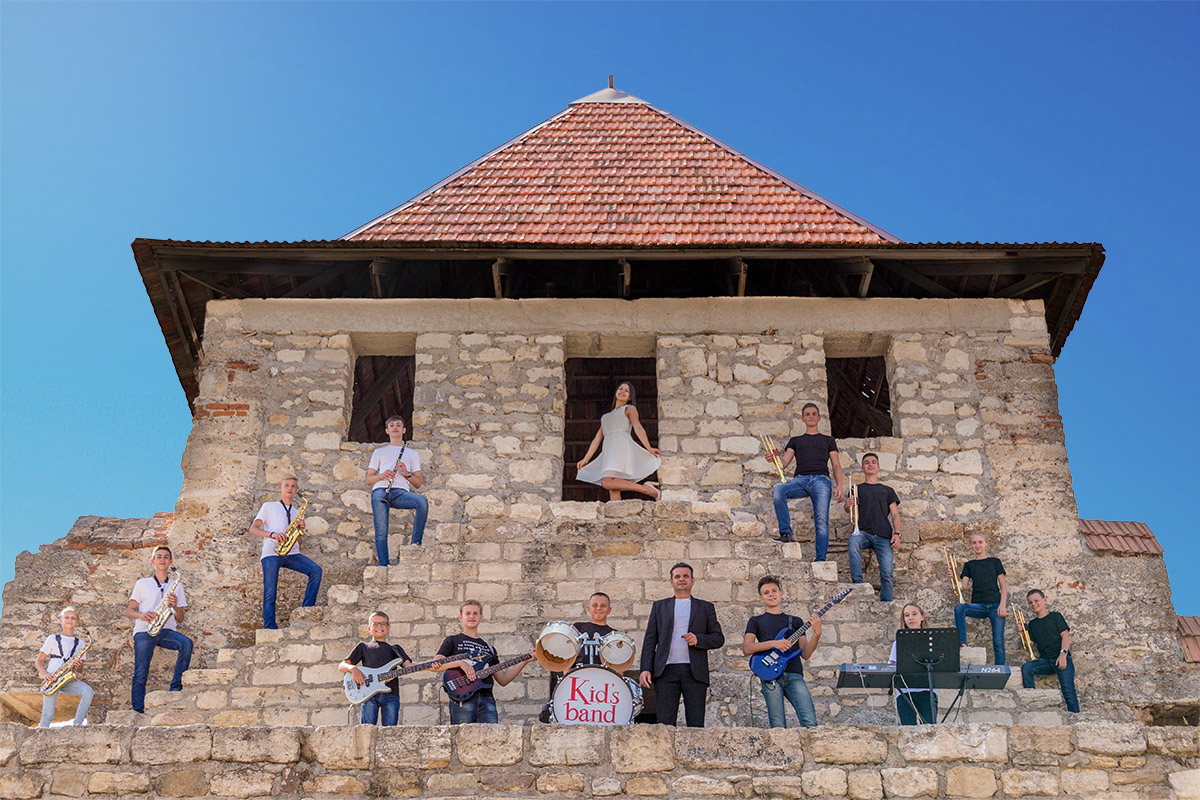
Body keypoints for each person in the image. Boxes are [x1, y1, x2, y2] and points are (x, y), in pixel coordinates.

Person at [639, 562, 725, 727]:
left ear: (693, 580)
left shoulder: (706, 608)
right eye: (677, 576)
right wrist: (645, 668)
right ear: (671, 581)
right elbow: (650, 639)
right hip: (665, 671)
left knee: (696, 724)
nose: (681, 579)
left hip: (694, 672)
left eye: (686, 576)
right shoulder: (659, 606)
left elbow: (718, 638)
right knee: (664, 725)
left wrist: (699, 639)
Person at [430, 600, 532, 724]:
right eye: (468, 613)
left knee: (491, 735)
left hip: (487, 700)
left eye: (475, 613)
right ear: (461, 617)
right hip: (463, 698)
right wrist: (461, 663)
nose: (472, 616)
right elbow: (436, 664)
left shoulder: (489, 648)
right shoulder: (452, 640)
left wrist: (525, 660)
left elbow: (503, 679)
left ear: (481, 617)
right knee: (462, 736)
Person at [768, 403, 844, 559]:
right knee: (778, 490)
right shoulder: (795, 440)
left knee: (821, 520)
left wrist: (840, 486)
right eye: (807, 414)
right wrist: (774, 458)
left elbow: (836, 465)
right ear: (802, 419)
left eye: (814, 414)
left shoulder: (828, 440)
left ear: (819, 418)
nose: (811, 416)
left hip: (821, 480)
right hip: (800, 480)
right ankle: (786, 534)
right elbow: (783, 463)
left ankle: (820, 559)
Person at [742, 576, 820, 728]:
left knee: (810, 723)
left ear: (781, 594)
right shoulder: (755, 621)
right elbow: (747, 648)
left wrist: (817, 634)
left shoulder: (795, 621)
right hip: (770, 675)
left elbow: (805, 654)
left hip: (795, 675)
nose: (771, 594)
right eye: (766, 592)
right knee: (777, 726)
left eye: (774, 591)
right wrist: (775, 643)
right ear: (760, 598)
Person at [249, 476, 322, 629]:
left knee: (316, 570)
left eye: (293, 486)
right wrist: (272, 534)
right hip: (272, 552)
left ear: (296, 490)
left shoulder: (297, 512)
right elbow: (253, 529)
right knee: (270, 591)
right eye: (286, 485)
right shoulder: (268, 506)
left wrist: (300, 530)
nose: (290, 488)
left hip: (291, 553)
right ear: (279, 487)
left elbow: (298, 541)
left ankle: (306, 611)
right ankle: (270, 626)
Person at [126, 546, 192, 714]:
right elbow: (129, 611)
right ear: (153, 561)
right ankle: (138, 710)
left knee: (186, 643)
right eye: (159, 556)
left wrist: (175, 605)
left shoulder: (176, 585)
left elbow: (180, 618)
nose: (162, 559)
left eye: (166, 557)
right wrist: (142, 615)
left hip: (166, 629)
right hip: (144, 630)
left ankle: (176, 687)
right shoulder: (142, 583)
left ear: (171, 561)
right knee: (141, 671)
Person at [576, 381, 661, 500]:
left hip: (621, 447)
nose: (622, 392)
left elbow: (638, 428)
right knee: (613, 487)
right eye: (620, 389)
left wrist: (649, 448)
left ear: (630, 397)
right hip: (609, 450)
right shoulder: (606, 417)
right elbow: (597, 438)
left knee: (606, 481)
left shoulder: (629, 409)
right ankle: (617, 509)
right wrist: (586, 459)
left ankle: (648, 490)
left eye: (627, 391)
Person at [366, 416, 428, 562]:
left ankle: (415, 543)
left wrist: (406, 473)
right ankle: (384, 565)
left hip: (401, 492)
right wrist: (382, 475)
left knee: (422, 502)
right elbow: (369, 480)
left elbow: (418, 483)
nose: (395, 427)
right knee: (381, 530)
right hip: (381, 490)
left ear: (404, 430)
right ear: (387, 431)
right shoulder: (379, 452)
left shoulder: (412, 453)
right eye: (392, 425)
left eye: (398, 425)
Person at [339, 610, 413, 726]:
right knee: (367, 730)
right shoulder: (363, 646)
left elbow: (408, 666)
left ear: (388, 628)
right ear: (369, 628)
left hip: (391, 694)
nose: (379, 627)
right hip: (369, 694)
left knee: (390, 731)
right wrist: (354, 669)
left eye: (383, 624)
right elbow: (342, 666)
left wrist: (427, 667)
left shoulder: (396, 649)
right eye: (375, 624)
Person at [845, 453, 901, 602]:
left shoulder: (887, 490)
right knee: (853, 541)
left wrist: (897, 534)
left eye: (873, 462)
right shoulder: (856, 488)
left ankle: (886, 603)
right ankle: (858, 584)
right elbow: (848, 510)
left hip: (883, 535)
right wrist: (848, 505)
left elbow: (895, 514)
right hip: (862, 532)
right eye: (867, 463)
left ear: (878, 467)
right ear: (862, 468)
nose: (870, 465)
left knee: (887, 574)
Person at [1020, 590, 1080, 713]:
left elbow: (1065, 635)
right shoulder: (1032, 624)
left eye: (1036, 601)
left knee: (1068, 691)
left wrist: (1063, 655)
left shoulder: (1055, 616)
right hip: (1046, 661)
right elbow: (1029, 645)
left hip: (1061, 658)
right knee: (1026, 668)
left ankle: (1076, 718)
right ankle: (1030, 703)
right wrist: (1023, 633)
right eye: (1030, 603)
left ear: (1044, 600)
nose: (1033, 604)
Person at [953, 533, 1007, 665]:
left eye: (980, 542)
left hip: (995, 606)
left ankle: (1000, 670)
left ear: (986, 543)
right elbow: (963, 587)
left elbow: (1003, 585)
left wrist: (1002, 605)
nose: (977, 545)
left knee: (998, 642)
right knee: (959, 608)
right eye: (974, 543)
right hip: (979, 606)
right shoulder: (969, 565)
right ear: (971, 545)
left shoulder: (995, 562)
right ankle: (963, 643)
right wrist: (954, 576)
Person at [35, 606, 93, 727]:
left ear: (77, 622)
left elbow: (80, 669)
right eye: (66, 617)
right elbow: (38, 661)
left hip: (68, 679)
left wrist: (78, 666)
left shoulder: (81, 643)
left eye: (73, 618)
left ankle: (77, 724)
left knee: (88, 692)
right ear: (61, 620)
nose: (69, 620)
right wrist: (45, 674)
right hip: (52, 679)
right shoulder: (52, 638)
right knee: (47, 714)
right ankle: (41, 732)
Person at [889, 603, 938, 725]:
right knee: (907, 729)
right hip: (905, 692)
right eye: (906, 615)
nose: (910, 618)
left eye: (914, 614)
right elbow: (893, 666)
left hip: (926, 689)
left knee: (929, 729)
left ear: (922, 617)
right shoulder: (898, 643)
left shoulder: (933, 641)